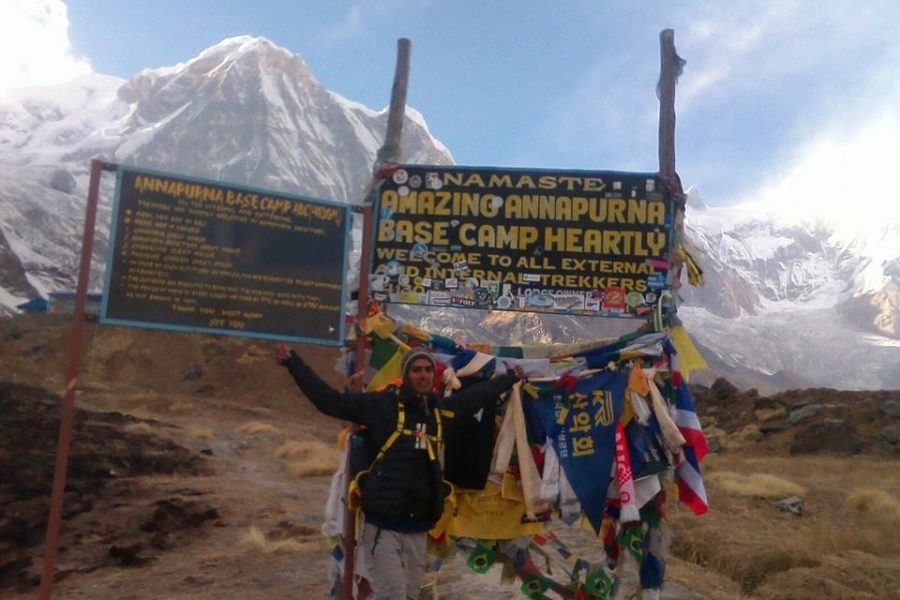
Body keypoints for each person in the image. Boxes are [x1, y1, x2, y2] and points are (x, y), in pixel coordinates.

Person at [275, 344, 523, 600]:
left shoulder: (439, 412)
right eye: (416, 370)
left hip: (418, 530)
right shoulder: (382, 406)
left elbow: (475, 398)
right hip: (383, 529)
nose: (423, 375)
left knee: (408, 596)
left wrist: (510, 378)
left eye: (428, 369)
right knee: (392, 596)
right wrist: (294, 363)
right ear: (406, 375)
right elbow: (330, 401)